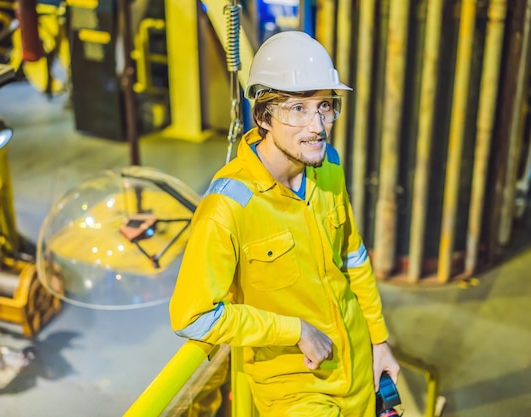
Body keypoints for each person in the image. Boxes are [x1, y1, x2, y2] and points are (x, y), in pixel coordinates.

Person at [170, 30, 399, 416]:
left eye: (325, 106)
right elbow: (192, 317)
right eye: (298, 109)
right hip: (296, 390)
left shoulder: (329, 166)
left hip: (360, 368)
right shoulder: (226, 207)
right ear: (263, 116)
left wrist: (379, 341)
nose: (318, 126)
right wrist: (293, 330)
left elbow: (353, 258)